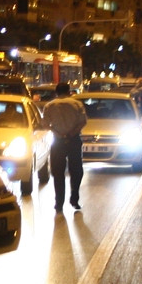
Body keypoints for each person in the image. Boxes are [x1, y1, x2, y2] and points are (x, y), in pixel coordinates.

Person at [42, 82, 87, 214]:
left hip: (58, 141)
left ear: (56, 92)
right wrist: (71, 133)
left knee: (58, 173)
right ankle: (74, 198)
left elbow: (45, 124)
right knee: (76, 170)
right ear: (69, 91)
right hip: (74, 140)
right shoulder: (77, 104)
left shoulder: (49, 106)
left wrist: (58, 133)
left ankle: (59, 203)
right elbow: (83, 121)